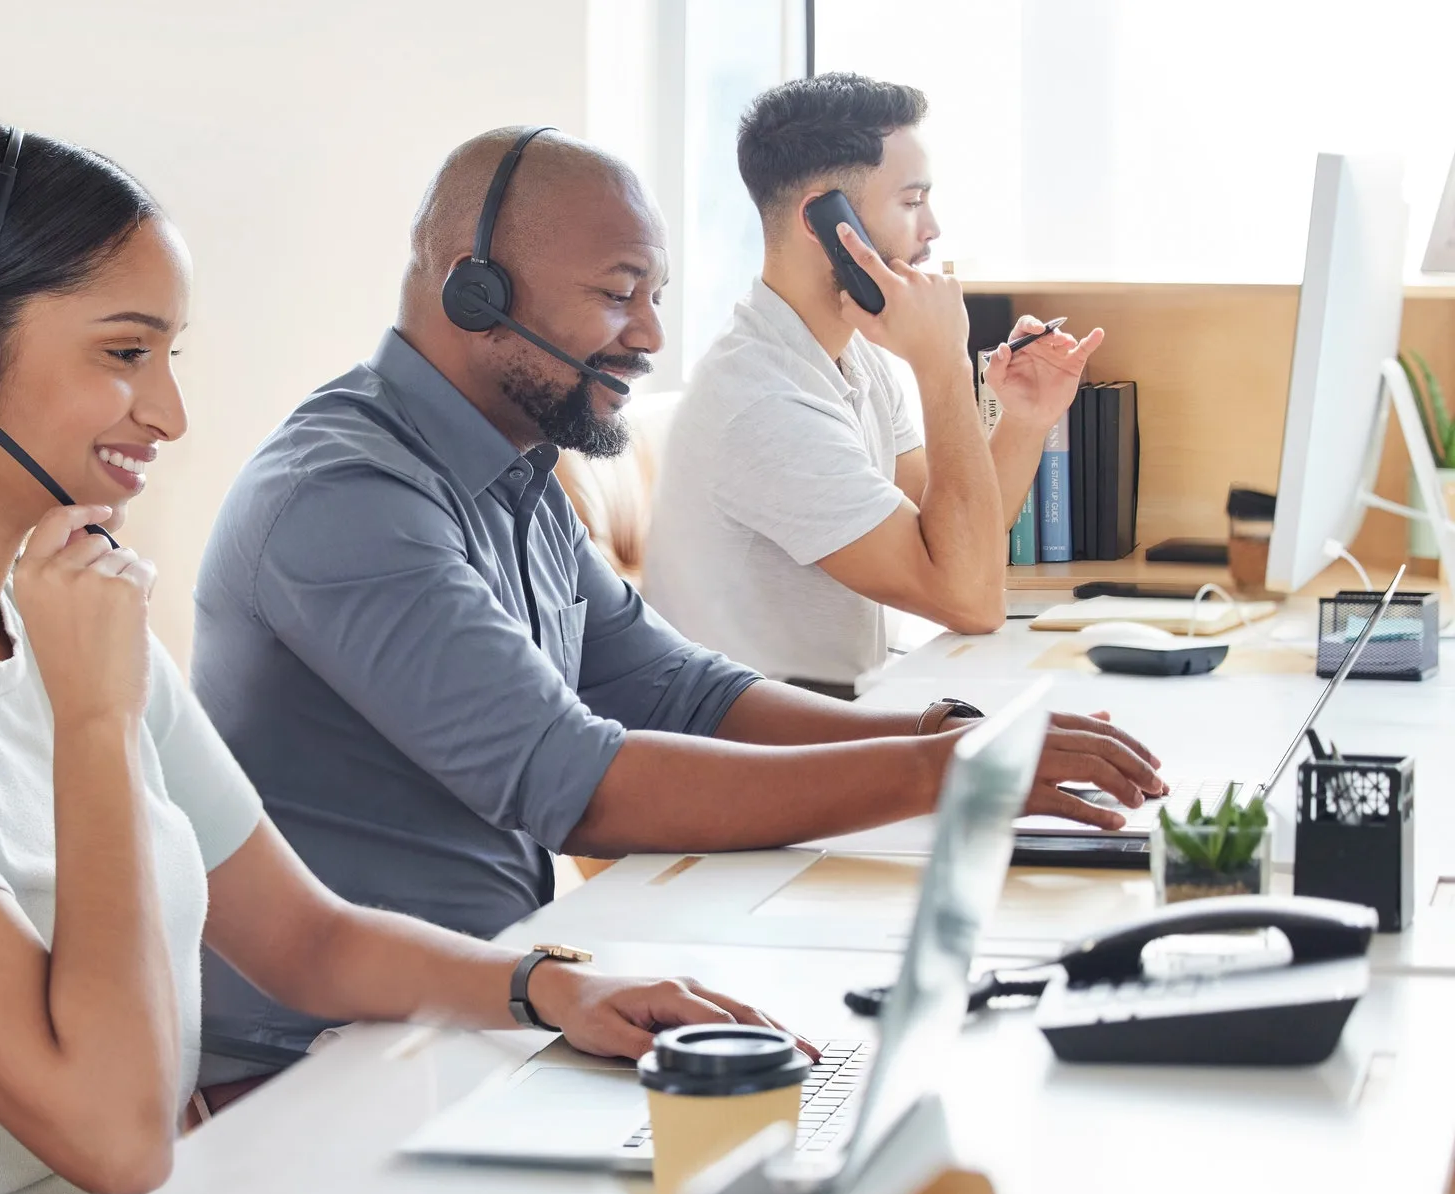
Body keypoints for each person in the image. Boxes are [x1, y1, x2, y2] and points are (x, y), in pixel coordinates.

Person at [0, 119, 790, 1194]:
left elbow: (302, 934)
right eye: (123, 353)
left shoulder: (64, 617)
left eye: (168, 354)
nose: (171, 410)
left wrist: (546, 989)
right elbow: (114, 1130)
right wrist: (93, 722)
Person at [190, 126, 1161, 1084]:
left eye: (654, 297)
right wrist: (939, 771)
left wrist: (936, 730)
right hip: (326, 1058)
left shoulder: (506, 465)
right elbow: (582, 788)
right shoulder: (348, 497)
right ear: (470, 287)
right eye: (618, 296)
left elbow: (675, 688)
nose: (651, 336)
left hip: (502, 994)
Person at [645, 73, 1105, 695]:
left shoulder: (850, 355)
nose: (933, 228)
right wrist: (943, 362)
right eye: (912, 202)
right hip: (766, 761)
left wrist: (1023, 419)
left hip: (838, 722)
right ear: (825, 221)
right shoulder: (762, 403)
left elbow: (947, 539)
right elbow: (969, 598)